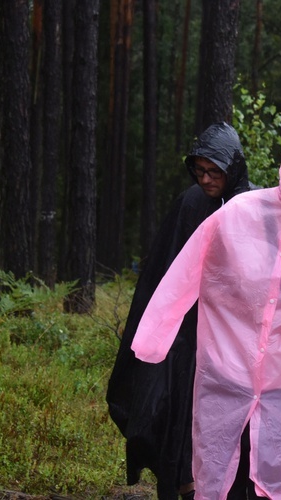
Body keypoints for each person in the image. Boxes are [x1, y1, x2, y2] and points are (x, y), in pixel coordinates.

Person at [131, 117, 281, 500]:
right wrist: (151, 340)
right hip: (228, 383)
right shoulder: (241, 211)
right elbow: (185, 271)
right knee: (226, 484)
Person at [107, 122, 251, 500]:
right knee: (170, 412)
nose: (206, 179)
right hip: (183, 335)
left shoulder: (250, 206)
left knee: (222, 418)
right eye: (199, 170)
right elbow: (163, 272)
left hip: (228, 337)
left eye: (214, 171)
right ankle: (182, 487)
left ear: (233, 168)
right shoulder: (190, 203)